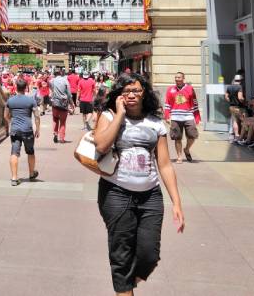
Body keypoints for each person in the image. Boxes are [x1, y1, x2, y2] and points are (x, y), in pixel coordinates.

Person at [92, 73, 185, 296]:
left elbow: (164, 165)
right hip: (115, 193)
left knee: (149, 254)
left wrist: (176, 202)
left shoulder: (155, 122)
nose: (131, 95)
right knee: (121, 255)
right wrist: (120, 114)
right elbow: (102, 145)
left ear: (145, 93)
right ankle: (124, 286)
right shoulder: (108, 115)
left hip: (150, 196)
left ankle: (126, 282)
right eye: (126, 91)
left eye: (136, 90)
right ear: (119, 95)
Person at [4, 77, 40, 185]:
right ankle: (31, 173)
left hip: (15, 130)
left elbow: (5, 115)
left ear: (16, 87)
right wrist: (37, 129)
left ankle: (14, 178)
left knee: (14, 153)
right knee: (30, 152)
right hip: (27, 130)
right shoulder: (31, 100)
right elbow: (37, 116)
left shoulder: (10, 100)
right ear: (26, 88)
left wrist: (12, 121)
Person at [163, 72, 201, 163]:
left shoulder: (190, 88)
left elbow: (194, 102)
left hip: (188, 116)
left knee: (192, 136)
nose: (177, 79)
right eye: (176, 77)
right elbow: (167, 104)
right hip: (176, 117)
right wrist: (167, 116)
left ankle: (187, 149)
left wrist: (197, 116)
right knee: (177, 138)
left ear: (183, 78)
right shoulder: (170, 89)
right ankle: (179, 156)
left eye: (179, 77)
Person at [50, 68, 73, 143]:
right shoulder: (65, 80)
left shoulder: (52, 81)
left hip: (55, 103)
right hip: (63, 103)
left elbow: (52, 91)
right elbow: (69, 94)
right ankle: (62, 138)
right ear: (60, 73)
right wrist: (72, 103)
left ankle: (55, 133)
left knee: (55, 119)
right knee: (63, 122)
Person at [225, 74, 246, 142]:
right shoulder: (239, 87)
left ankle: (236, 135)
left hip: (232, 106)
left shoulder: (229, 87)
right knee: (244, 121)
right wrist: (244, 101)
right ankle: (243, 136)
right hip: (239, 107)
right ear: (240, 80)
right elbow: (240, 97)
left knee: (235, 121)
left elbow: (226, 97)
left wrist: (231, 101)